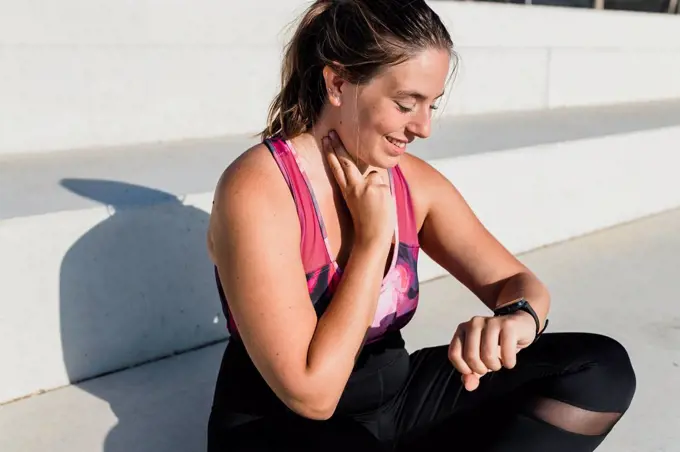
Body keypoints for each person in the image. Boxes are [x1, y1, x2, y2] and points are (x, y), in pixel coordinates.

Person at [206, 1, 636, 450]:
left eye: (432, 104)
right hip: (282, 425)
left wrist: (516, 320)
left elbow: (515, 281)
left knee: (598, 369)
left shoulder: (412, 183)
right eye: (406, 103)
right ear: (337, 82)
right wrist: (373, 243)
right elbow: (311, 394)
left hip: (395, 404)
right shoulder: (260, 189)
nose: (424, 127)